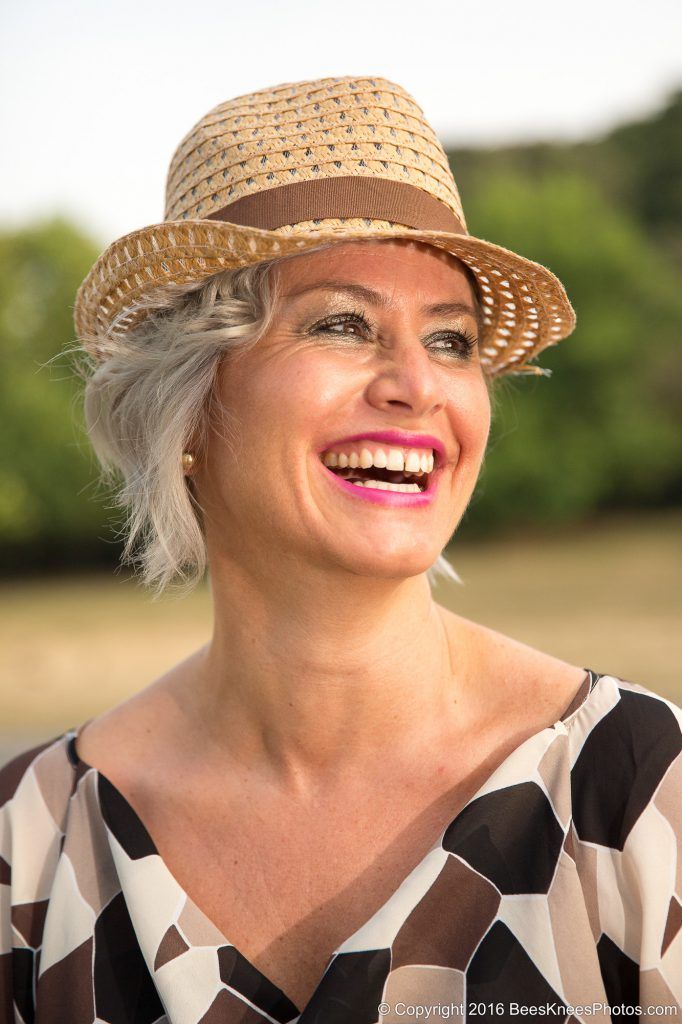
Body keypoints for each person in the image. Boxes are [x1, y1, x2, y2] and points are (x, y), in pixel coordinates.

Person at [1, 75, 680, 1024]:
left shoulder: (638, 790)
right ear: (190, 401)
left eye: (452, 341)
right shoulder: (29, 844)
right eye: (341, 324)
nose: (417, 385)